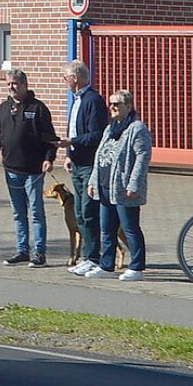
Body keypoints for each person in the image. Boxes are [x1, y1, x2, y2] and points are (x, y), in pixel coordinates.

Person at [0, 68, 60, 268]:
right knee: (18, 213)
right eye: (8, 84)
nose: (11, 87)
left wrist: (49, 158)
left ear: (24, 85)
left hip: (33, 170)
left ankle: (39, 253)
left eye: (15, 83)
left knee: (36, 212)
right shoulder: (2, 109)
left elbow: (50, 138)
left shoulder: (38, 108)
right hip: (11, 170)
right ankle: (22, 250)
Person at [81, 88, 151, 281]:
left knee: (130, 227)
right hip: (105, 186)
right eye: (110, 104)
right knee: (107, 228)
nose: (112, 107)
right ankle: (106, 265)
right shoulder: (110, 128)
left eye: (116, 104)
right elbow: (100, 156)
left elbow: (142, 157)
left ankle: (136, 267)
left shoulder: (137, 128)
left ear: (128, 106)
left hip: (124, 189)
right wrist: (93, 181)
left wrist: (134, 184)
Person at [62, 60, 109, 276]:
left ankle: (93, 257)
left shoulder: (93, 100)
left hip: (90, 164)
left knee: (89, 212)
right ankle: (86, 256)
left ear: (76, 78)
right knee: (80, 212)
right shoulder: (76, 100)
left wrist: (72, 142)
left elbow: (96, 135)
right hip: (77, 163)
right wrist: (69, 155)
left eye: (66, 77)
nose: (65, 81)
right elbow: (75, 128)